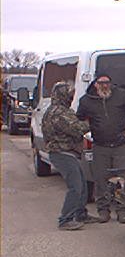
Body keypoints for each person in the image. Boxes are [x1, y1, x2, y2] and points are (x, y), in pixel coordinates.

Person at [77, 73, 125, 224]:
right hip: (100, 146)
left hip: (120, 145)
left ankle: (122, 211)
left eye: (107, 82)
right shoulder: (86, 100)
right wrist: (88, 131)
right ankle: (103, 211)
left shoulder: (122, 95)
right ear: (95, 84)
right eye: (101, 83)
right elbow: (79, 119)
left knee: (123, 179)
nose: (105, 86)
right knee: (101, 180)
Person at [42, 81, 100, 230]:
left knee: (82, 184)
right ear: (63, 95)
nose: (72, 97)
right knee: (76, 186)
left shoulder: (59, 110)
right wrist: (92, 121)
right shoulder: (59, 113)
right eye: (70, 94)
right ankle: (65, 220)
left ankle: (80, 214)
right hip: (62, 153)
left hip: (69, 153)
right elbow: (77, 129)